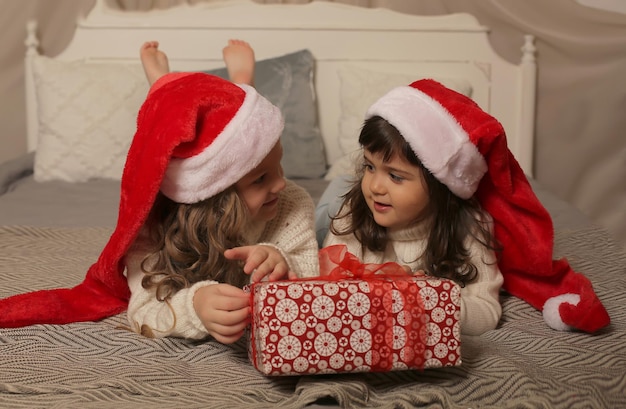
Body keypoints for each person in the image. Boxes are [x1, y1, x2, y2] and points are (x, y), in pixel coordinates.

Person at [0, 41, 320, 341]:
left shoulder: (291, 203)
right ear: (214, 201)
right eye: (261, 179)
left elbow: (312, 274)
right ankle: (163, 85)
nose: (281, 183)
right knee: (181, 121)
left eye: (280, 167)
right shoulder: (154, 233)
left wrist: (282, 263)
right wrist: (194, 307)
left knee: (232, 122)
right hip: (203, 182)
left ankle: (216, 83)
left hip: (230, 155)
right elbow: (144, 310)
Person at [318, 79, 610, 335]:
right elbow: (327, 290)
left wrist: (431, 300)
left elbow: (486, 312)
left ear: (439, 184)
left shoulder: (471, 226)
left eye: (395, 175)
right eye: (369, 166)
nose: (376, 186)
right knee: (330, 205)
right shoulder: (353, 213)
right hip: (344, 200)